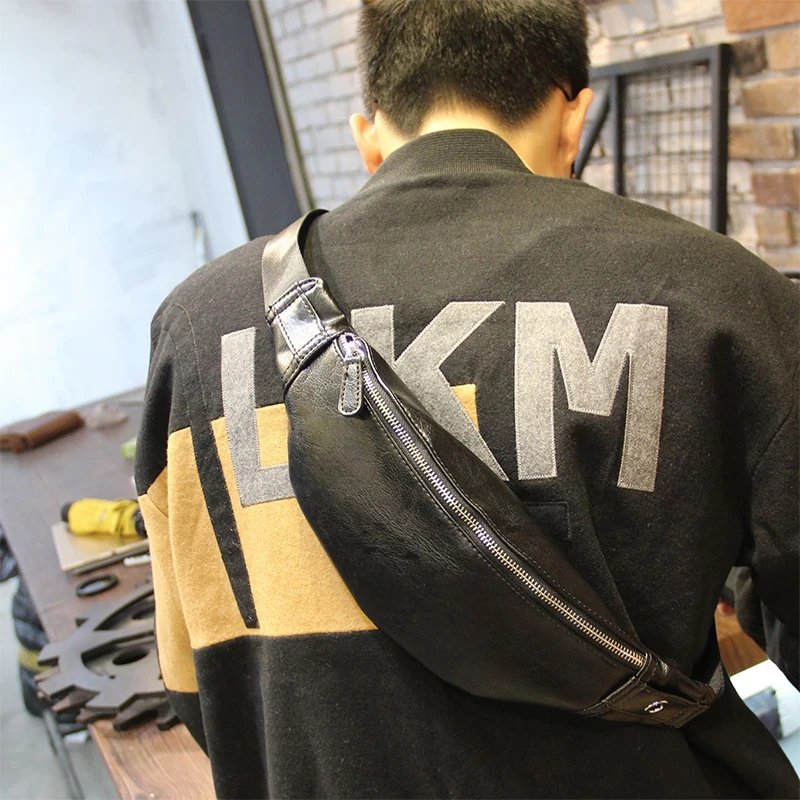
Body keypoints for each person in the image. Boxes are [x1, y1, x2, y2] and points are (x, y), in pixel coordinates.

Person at [135, 1, 799, 796]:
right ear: (574, 118)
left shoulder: (192, 330)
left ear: (368, 136)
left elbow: (197, 686)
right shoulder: (721, 296)